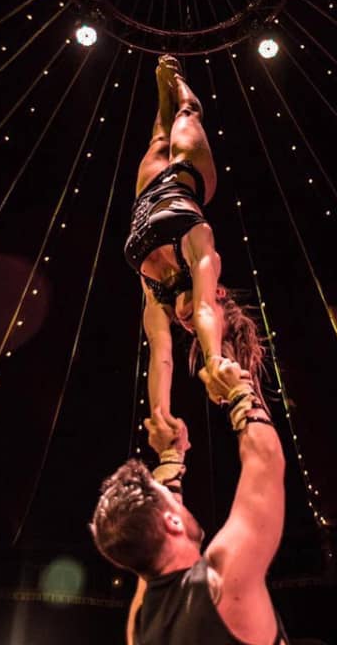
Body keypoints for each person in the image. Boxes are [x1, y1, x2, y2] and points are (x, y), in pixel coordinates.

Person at [90, 359, 288, 645]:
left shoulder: (140, 627)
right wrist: (239, 393)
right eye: (172, 503)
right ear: (171, 521)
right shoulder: (220, 581)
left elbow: (147, 553)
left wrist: (171, 458)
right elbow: (265, 459)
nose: (178, 503)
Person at [124, 55, 264, 416]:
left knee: (160, 134)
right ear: (218, 293)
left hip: (147, 192)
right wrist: (214, 359)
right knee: (188, 113)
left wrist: (160, 414)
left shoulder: (156, 293)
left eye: (190, 332)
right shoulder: (203, 253)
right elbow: (202, 309)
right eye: (204, 329)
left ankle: (161, 92)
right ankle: (179, 82)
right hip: (189, 176)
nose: (188, 326)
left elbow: (161, 354)